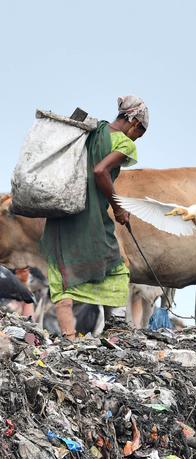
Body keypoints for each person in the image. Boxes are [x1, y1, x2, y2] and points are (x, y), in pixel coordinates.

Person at [40, 96, 149, 340]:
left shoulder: (91, 132)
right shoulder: (123, 143)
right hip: (90, 219)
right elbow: (100, 171)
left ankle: (68, 338)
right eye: (139, 133)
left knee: (61, 272)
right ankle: (117, 327)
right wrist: (118, 208)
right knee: (116, 267)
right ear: (134, 123)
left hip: (62, 212)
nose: (136, 138)